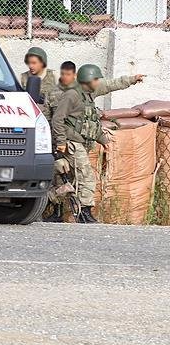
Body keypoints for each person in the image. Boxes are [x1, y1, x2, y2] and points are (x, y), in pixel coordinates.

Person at [51, 64, 144, 223]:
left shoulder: (88, 95)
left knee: (66, 179)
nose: (98, 82)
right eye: (95, 79)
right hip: (72, 143)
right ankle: (84, 213)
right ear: (87, 80)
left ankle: (50, 205)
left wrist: (132, 80)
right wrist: (61, 142)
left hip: (81, 143)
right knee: (86, 176)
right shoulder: (72, 95)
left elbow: (91, 119)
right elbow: (57, 120)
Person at [43, 61, 78, 222]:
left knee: (71, 177)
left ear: (74, 75)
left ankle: (70, 211)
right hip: (57, 141)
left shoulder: (79, 93)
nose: (65, 77)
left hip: (73, 141)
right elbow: (48, 118)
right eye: (63, 74)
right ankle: (55, 211)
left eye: (68, 74)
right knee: (56, 177)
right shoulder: (53, 93)